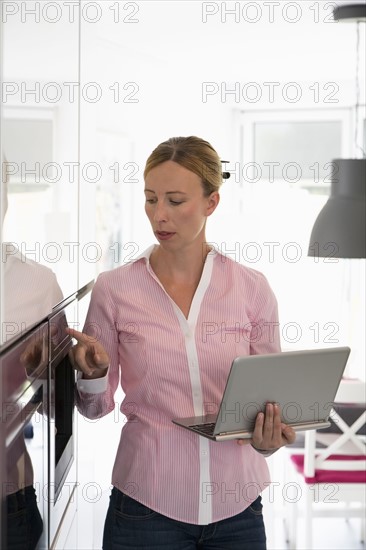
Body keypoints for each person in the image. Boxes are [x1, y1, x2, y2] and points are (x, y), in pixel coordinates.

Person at [67, 136, 296, 549]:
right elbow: (94, 409)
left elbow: (269, 403)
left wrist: (268, 441)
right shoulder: (114, 289)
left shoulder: (251, 289)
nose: (159, 215)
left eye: (175, 201)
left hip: (238, 509)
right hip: (144, 509)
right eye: (151, 199)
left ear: (211, 203)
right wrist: (94, 374)